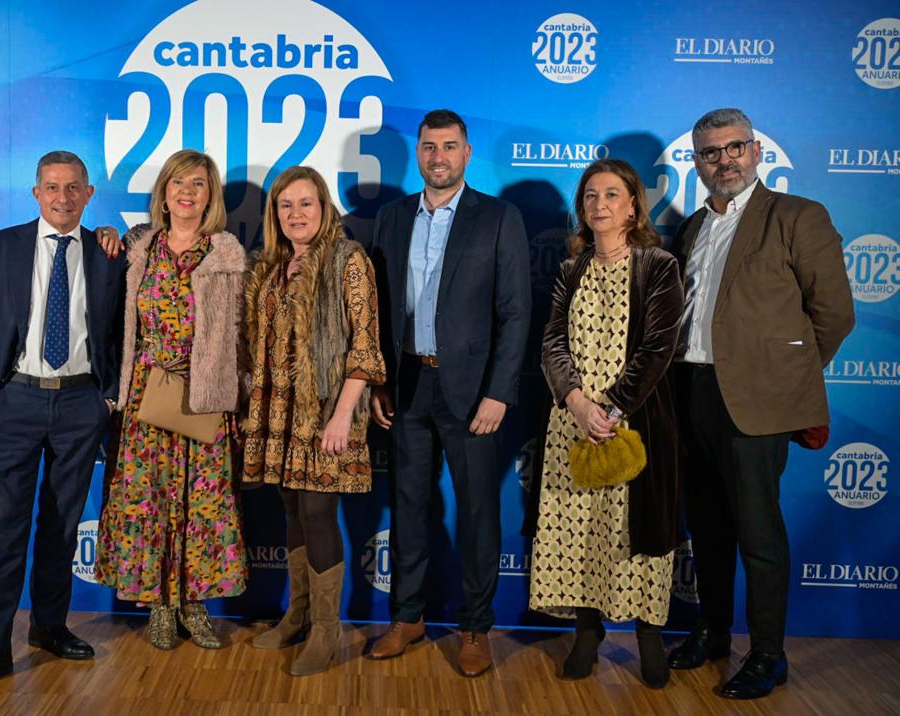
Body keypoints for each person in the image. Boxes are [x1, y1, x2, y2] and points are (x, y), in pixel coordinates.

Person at [667, 108, 855, 699]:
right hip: (692, 392)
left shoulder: (797, 216)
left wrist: (783, 381)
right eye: (709, 152)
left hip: (756, 404)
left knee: (759, 533)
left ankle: (770, 654)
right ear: (696, 162)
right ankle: (714, 632)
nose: (723, 160)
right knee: (709, 528)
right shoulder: (692, 227)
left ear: (756, 151)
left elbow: (834, 314)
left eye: (734, 148)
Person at [0, 151, 125, 696]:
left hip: (79, 405)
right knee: (2, 531)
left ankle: (48, 625)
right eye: (51, 187)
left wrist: (107, 399)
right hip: (13, 403)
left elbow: (118, 330)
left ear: (89, 194)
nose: (62, 198)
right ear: (35, 192)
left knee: (63, 526)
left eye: (73, 188)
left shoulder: (107, 252)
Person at [367, 109, 532, 677]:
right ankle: (407, 618)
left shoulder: (499, 217)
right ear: (417, 153)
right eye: (429, 146)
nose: (438, 157)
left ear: (467, 153)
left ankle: (475, 628)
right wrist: (377, 382)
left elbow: (516, 313)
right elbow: (377, 311)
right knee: (410, 507)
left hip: (474, 393)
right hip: (406, 384)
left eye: (450, 146)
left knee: (479, 512)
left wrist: (499, 393)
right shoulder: (390, 217)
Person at [529, 158, 684, 689]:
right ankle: (587, 632)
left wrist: (611, 409)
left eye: (612, 195)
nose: (600, 205)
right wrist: (575, 403)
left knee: (635, 532)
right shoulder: (570, 270)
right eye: (590, 196)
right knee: (580, 532)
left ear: (634, 206)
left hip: (633, 422)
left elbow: (658, 346)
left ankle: (647, 637)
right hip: (572, 422)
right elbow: (551, 341)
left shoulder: (659, 266)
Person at [93, 149, 248, 650]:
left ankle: (195, 605)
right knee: (150, 498)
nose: (187, 192)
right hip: (145, 393)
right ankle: (159, 604)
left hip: (204, 394)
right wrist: (103, 237)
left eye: (198, 184)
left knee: (203, 502)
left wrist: (240, 398)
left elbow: (241, 334)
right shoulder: (138, 247)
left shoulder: (226, 253)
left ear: (211, 196)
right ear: (163, 190)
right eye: (178, 182)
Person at [241, 165, 386, 676]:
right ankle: (297, 615)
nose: (295, 214)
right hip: (276, 413)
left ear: (324, 209)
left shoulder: (348, 260)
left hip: (324, 412)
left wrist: (343, 415)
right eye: (285, 205)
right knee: (293, 512)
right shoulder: (268, 266)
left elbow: (366, 346)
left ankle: (327, 631)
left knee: (319, 514)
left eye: (306, 203)